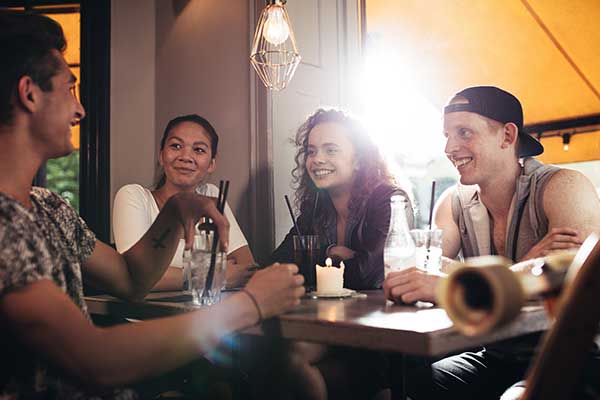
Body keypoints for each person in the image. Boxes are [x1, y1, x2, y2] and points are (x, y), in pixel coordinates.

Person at [0, 12, 304, 399]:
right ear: (29, 94)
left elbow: (131, 281)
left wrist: (176, 212)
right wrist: (249, 304)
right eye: (70, 90)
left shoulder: (49, 207)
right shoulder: (4, 223)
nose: (80, 111)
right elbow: (94, 359)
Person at [383, 86, 600, 399]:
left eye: (464, 132)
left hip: (573, 357)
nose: (450, 147)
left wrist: (452, 284)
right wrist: (530, 263)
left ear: (508, 136)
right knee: (411, 384)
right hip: (496, 355)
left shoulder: (563, 186)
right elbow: (423, 270)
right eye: (447, 134)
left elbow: (576, 279)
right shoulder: (453, 202)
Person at [267, 108, 413, 399]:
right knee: (277, 355)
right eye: (311, 151)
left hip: (380, 334)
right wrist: (333, 253)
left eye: (330, 149)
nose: (317, 159)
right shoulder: (316, 207)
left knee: (288, 362)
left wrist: (317, 260)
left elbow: (369, 273)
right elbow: (278, 263)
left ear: (358, 159)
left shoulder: (388, 200)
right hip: (330, 327)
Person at [113, 114, 255, 291]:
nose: (186, 156)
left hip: (207, 314)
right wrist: (214, 275)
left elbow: (246, 267)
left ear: (211, 164)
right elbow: (135, 275)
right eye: (176, 146)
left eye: (199, 150)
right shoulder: (134, 197)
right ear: (161, 155)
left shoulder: (211, 194)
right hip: (146, 316)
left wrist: (171, 274)